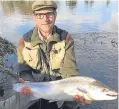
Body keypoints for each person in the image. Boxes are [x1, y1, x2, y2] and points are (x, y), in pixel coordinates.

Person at [17, 1, 91, 109]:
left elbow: (70, 70)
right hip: (35, 85)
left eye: (49, 14)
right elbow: (23, 68)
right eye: (40, 15)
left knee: (74, 103)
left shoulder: (66, 38)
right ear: (34, 17)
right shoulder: (24, 40)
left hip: (60, 87)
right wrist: (26, 81)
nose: (45, 19)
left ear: (55, 15)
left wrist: (75, 90)